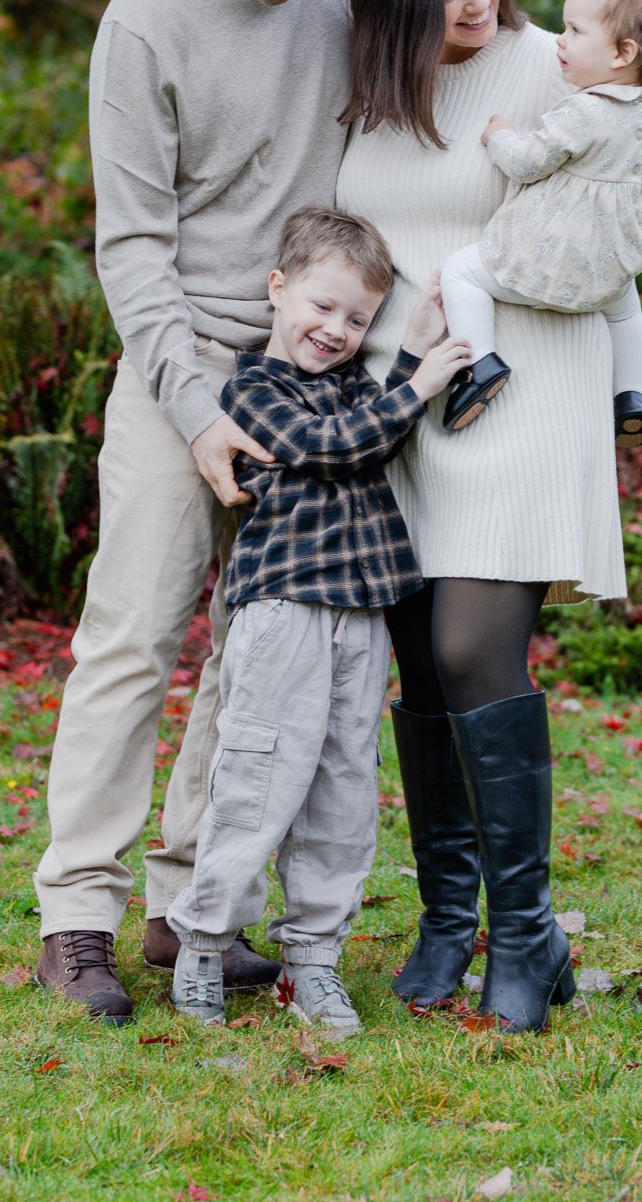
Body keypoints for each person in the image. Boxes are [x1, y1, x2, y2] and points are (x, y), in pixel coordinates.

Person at [335, 0, 642, 1033]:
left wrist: (626, 237)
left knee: (470, 644)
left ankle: (528, 933)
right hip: (403, 397)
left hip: (527, 382)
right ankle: (450, 915)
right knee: (421, 665)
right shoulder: (370, 83)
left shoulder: (559, 65)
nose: (479, 0)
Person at [33, 0, 354, 1021]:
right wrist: (196, 408)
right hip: (187, 362)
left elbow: (487, 30)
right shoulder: (146, 18)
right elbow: (134, 245)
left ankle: (188, 908)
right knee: (134, 635)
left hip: (317, 375)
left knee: (258, 650)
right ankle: (76, 917)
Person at [164, 207, 470, 1032]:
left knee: (342, 786)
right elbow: (334, 447)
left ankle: (314, 960)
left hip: (361, 617)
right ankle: (201, 946)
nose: (335, 330)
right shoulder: (249, 389)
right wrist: (414, 385)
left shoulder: (353, 390)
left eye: (355, 318)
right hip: (284, 611)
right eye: (321, 307)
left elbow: (372, 431)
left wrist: (409, 344)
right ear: (277, 288)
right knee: (259, 779)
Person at [439, 0, 642, 446]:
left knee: (460, 273)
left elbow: (525, 163)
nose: (561, 41)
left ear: (623, 54)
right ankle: (629, 396)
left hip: (550, 256)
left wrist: (499, 134)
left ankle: (480, 364)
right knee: (625, 311)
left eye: (576, 31)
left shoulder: (581, 111)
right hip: (607, 263)